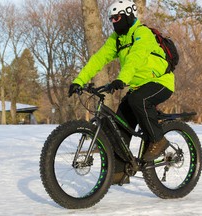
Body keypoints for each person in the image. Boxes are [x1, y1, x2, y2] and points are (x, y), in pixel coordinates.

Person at [68, 0, 174, 161]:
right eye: (111, 19)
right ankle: (119, 171)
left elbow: (135, 58)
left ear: (129, 15)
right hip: (137, 86)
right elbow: (98, 59)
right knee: (119, 127)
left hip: (160, 82)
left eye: (117, 18)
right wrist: (79, 81)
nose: (113, 22)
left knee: (138, 100)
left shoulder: (142, 33)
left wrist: (121, 79)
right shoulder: (117, 39)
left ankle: (158, 140)